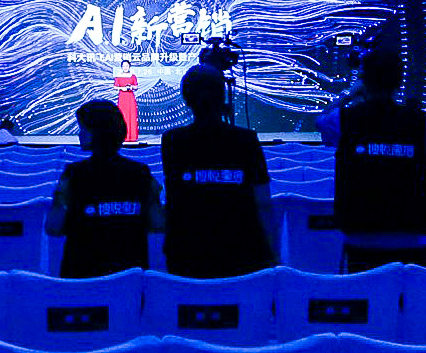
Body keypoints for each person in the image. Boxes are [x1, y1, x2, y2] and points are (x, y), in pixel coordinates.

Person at [319, 48, 426, 271]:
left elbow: (320, 121)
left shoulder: (344, 119)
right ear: (399, 81)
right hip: (413, 236)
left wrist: (349, 95)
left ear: (364, 82)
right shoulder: (419, 121)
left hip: (361, 236)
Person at [158, 64, 273, 277]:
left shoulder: (173, 141)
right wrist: (274, 257)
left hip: (187, 251)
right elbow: (263, 203)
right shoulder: (246, 140)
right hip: (244, 250)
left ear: (186, 99)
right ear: (222, 97)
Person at [46, 98, 162, 278]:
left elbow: (53, 227)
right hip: (130, 279)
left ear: (95, 133)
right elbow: (158, 223)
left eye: (83, 129)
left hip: (81, 277)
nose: (79, 135)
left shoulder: (74, 174)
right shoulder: (141, 173)